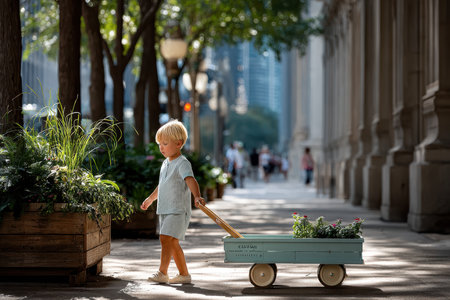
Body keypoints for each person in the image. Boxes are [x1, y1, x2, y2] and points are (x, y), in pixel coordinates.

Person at [140, 120, 205, 284]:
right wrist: (150, 199)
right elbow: (161, 185)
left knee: (165, 238)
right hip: (165, 208)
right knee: (172, 242)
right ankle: (184, 275)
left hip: (177, 210)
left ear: (179, 143)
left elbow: (191, 180)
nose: (161, 147)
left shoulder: (182, 163)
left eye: (165, 143)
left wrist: (197, 196)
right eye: (159, 144)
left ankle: (162, 272)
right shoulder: (165, 163)